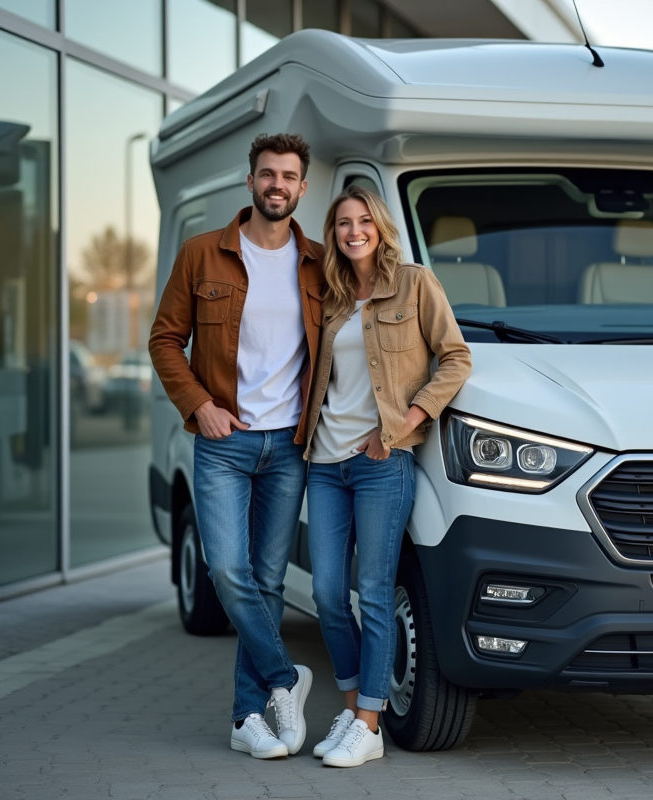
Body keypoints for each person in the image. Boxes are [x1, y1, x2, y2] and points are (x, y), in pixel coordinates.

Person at [149, 133, 324, 759]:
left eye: (289, 176)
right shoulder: (202, 254)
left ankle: (247, 718)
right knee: (227, 570)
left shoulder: (319, 263)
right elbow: (165, 340)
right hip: (225, 442)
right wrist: (199, 405)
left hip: (289, 444)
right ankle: (287, 678)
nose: (277, 185)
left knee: (270, 580)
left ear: (303, 188)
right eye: (268, 174)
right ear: (250, 182)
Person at [301, 185, 472, 768]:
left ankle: (371, 724)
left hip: (381, 463)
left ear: (380, 226)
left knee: (372, 594)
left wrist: (404, 423)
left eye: (363, 221)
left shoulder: (415, 283)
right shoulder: (328, 296)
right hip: (324, 465)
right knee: (327, 594)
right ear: (334, 233)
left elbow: (456, 357)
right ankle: (355, 712)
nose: (353, 231)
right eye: (343, 223)